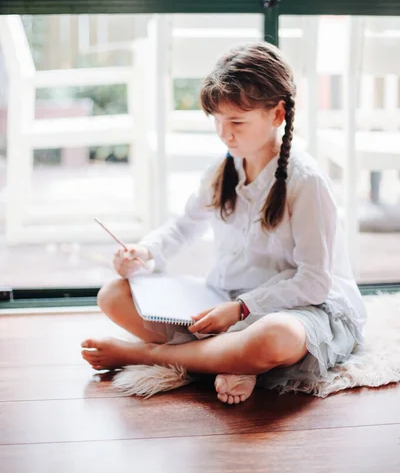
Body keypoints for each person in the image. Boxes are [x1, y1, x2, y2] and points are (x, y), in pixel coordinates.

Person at [81, 41, 367, 405]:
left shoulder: (306, 182)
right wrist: (144, 250)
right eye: (217, 121)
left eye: (236, 122)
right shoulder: (223, 169)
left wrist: (242, 309)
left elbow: (313, 282)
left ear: (277, 115)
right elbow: (184, 226)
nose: (224, 133)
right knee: (114, 295)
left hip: (298, 309)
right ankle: (232, 359)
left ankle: (146, 354)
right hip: (227, 301)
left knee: (274, 336)